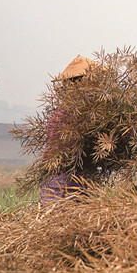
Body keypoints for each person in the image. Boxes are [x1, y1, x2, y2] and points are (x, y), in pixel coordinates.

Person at [39, 55, 95, 205]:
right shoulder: (70, 114)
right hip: (62, 187)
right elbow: (79, 149)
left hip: (76, 185)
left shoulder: (80, 112)